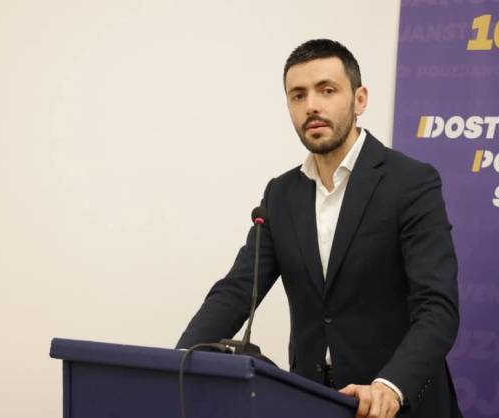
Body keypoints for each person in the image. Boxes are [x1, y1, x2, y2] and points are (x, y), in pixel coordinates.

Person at [176, 39, 462, 418]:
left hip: (397, 404)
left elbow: (437, 308)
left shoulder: (410, 182)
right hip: (311, 400)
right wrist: (177, 363)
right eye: (298, 95)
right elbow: (237, 290)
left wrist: (390, 386)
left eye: (327, 90)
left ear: (359, 99)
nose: (311, 105)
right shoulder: (280, 194)